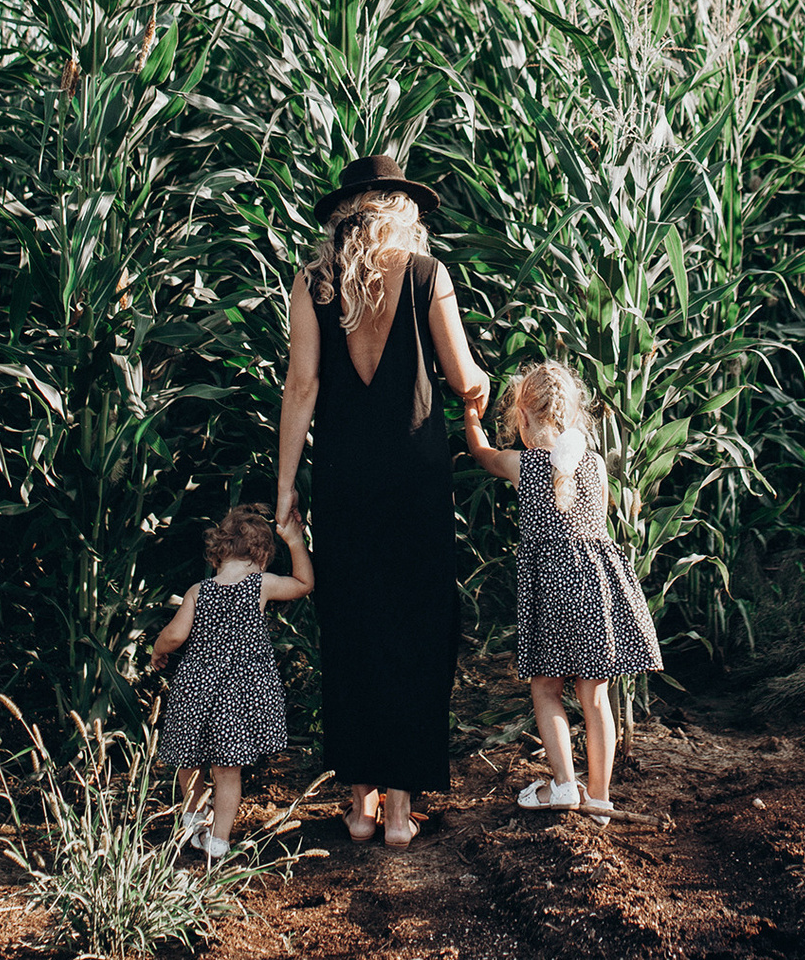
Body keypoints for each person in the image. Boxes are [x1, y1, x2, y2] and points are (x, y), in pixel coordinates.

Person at [276, 155, 490, 849]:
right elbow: (462, 377)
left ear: (345, 212)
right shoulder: (429, 274)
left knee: (352, 624)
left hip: (343, 477)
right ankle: (400, 810)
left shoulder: (312, 283)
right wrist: (481, 390)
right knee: (416, 627)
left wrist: (286, 487)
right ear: (401, 208)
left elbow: (302, 388)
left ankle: (357, 806)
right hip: (415, 478)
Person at [462, 360, 662, 820]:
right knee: (594, 697)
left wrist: (472, 413)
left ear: (525, 419)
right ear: (573, 416)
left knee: (547, 689)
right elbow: (599, 523)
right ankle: (599, 799)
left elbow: (481, 453)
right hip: (595, 586)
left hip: (550, 591)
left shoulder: (522, 466)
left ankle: (564, 785)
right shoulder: (593, 464)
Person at [149, 505, 314, 856]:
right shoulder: (260, 584)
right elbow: (304, 584)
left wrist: (158, 650)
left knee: (187, 758)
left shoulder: (200, 590)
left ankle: (192, 816)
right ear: (263, 557)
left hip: (196, 690)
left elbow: (176, 635)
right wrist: (296, 542)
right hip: (238, 696)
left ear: (217, 552)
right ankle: (219, 840)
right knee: (227, 772)